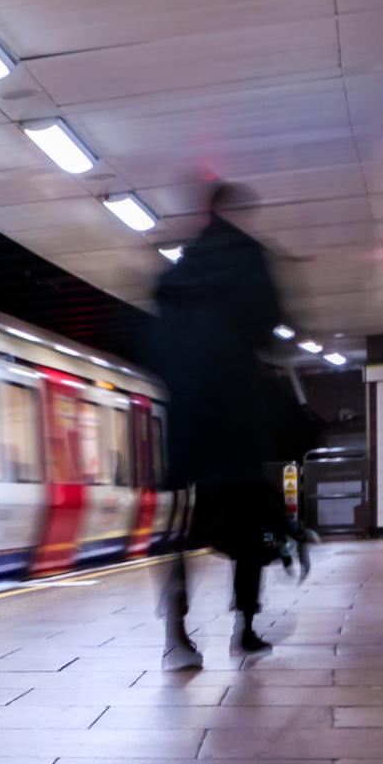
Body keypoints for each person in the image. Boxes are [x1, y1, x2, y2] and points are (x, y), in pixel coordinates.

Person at [150, 179, 292, 667]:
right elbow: (269, 325)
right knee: (251, 528)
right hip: (234, 418)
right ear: (234, 211)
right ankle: (246, 628)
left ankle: (176, 635)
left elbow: (159, 342)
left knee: (178, 533)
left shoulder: (178, 272)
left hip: (189, 422)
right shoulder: (249, 258)